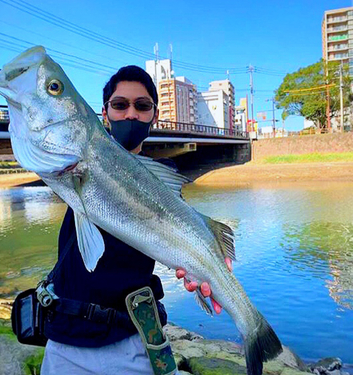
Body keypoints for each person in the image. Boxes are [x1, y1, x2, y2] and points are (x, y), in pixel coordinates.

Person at [41, 66, 229, 374]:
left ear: (154, 116)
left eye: (142, 106)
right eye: (120, 105)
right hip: (64, 340)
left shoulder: (165, 185)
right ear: (104, 113)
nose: (131, 114)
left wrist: (200, 268)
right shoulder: (77, 159)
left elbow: (184, 244)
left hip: (133, 344)